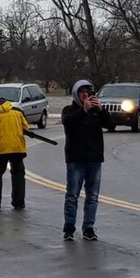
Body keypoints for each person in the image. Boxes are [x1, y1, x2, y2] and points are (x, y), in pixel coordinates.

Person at [60, 79, 114, 241]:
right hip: (76, 159)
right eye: (82, 92)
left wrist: (101, 109)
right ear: (76, 94)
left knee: (92, 197)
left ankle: (88, 228)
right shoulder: (69, 110)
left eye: (87, 92)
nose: (85, 95)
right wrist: (83, 110)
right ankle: (69, 227)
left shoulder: (96, 111)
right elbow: (68, 123)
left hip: (94, 159)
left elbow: (110, 125)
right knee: (72, 195)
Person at [0, 98, 28, 210]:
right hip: (17, 148)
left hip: (0, 149)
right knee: (18, 174)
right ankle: (19, 202)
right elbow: (25, 128)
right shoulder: (17, 112)